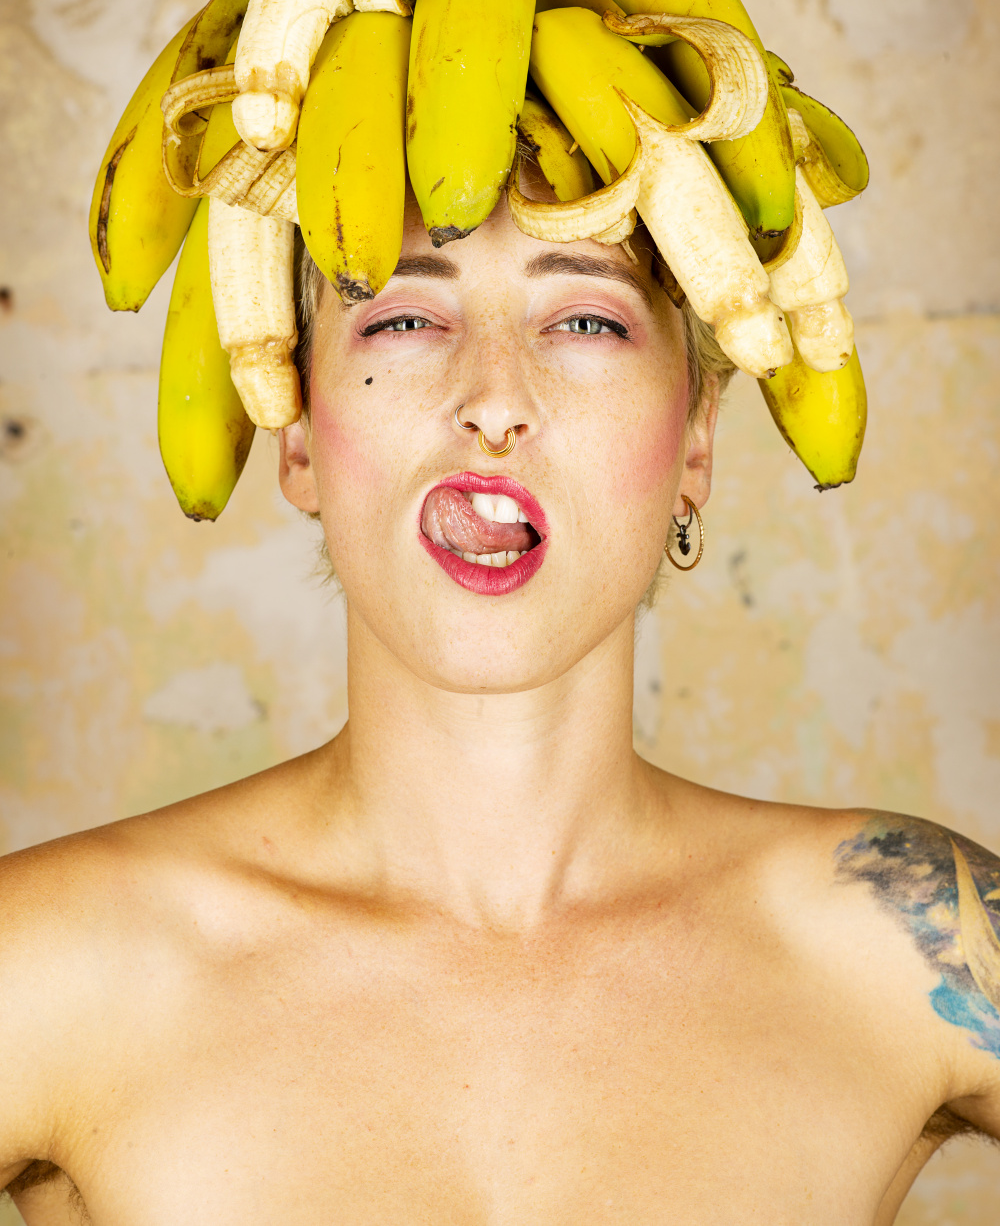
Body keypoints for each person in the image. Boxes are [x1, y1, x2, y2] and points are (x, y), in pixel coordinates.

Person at [2, 174, 999, 1226]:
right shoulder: (52, 963)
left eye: (585, 320)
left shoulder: (907, 934)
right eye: (402, 319)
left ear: (696, 437)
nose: (493, 402)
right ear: (296, 434)